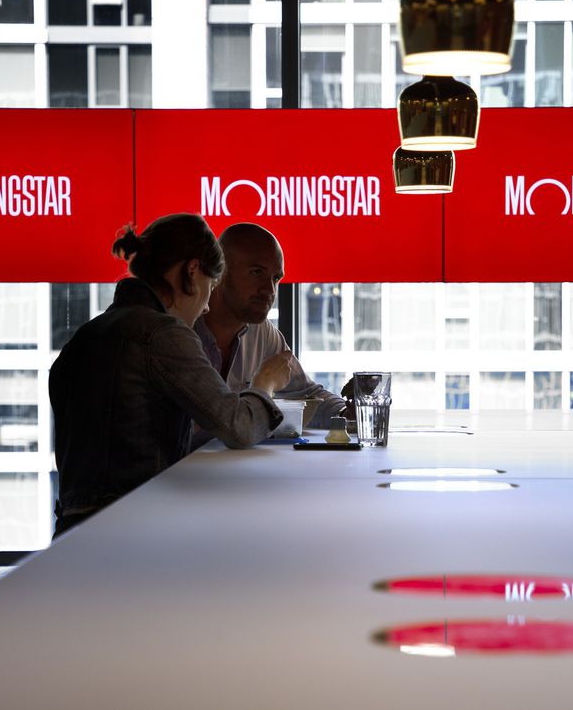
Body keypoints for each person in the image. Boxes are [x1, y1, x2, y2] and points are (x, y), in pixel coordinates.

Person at [49, 214, 297, 537]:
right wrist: (265, 382)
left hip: (71, 534)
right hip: (135, 530)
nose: (206, 307)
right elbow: (239, 427)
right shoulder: (163, 333)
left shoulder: (83, 338)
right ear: (192, 271)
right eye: (210, 287)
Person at [195, 223, 348, 429]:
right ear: (221, 271)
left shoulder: (261, 331)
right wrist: (263, 386)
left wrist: (345, 412)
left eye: (276, 278)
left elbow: (307, 395)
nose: (270, 290)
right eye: (257, 272)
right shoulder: (183, 328)